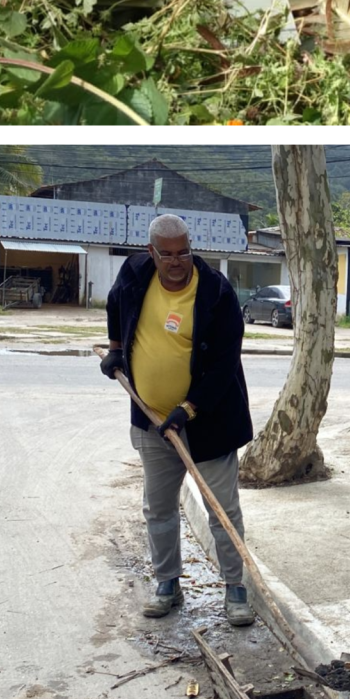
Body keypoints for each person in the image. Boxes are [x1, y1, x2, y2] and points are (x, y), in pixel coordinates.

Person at [99, 214, 256, 626]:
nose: (175, 261)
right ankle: (167, 582)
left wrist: (186, 411)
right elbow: (116, 302)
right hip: (151, 420)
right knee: (159, 508)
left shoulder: (216, 292)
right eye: (166, 254)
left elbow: (224, 366)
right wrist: (116, 346)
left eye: (183, 252)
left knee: (222, 511)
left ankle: (235, 588)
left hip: (208, 422)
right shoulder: (134, 272)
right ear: (151, 252)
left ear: (192, 248)